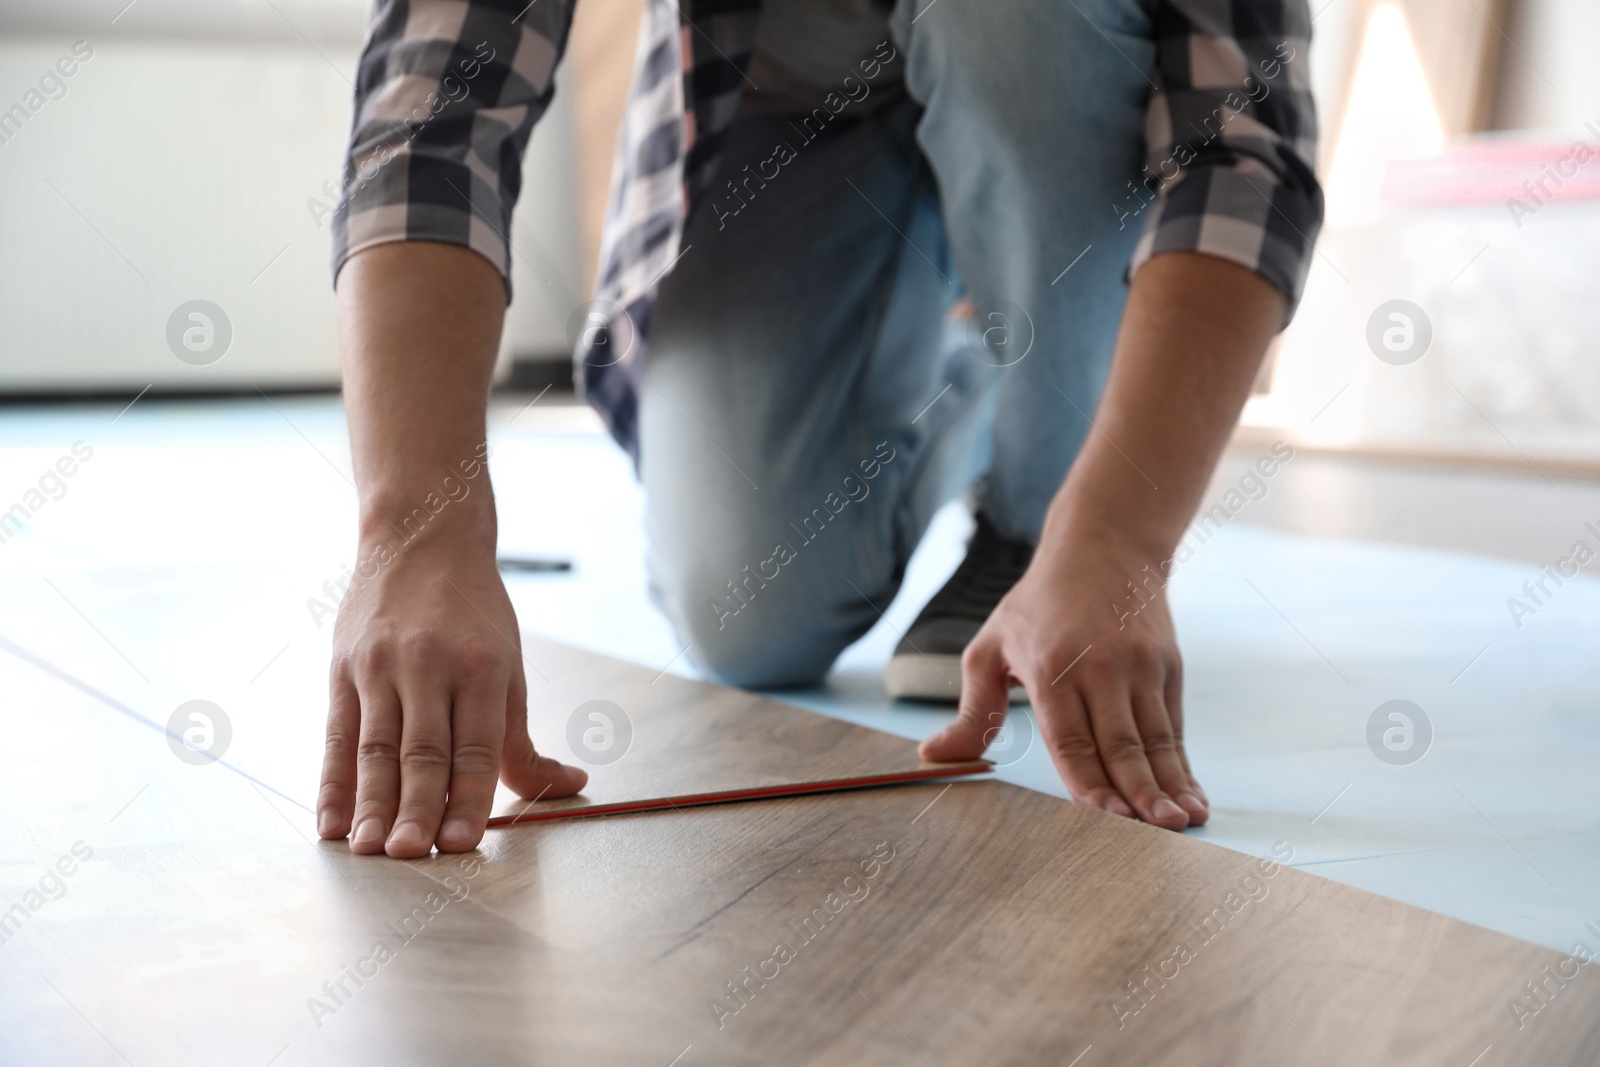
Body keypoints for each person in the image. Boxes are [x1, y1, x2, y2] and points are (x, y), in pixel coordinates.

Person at [316, 0, 1323, 858]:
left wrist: (1117, 536)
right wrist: (414, 532)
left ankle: (1040, 506)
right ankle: (982, 381)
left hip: (1056, 70)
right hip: (789, 107)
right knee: (752, 621)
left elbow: (1243, 149)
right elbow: (434, 114)